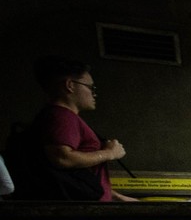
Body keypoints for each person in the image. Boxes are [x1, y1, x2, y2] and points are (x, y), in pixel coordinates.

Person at [12, 56, 135, 202]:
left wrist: (117, 197)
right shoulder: (62, 116)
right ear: (70, 85)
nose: (94, 93)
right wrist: (110, 153)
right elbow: (62, 158)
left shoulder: (56, 116)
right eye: (90, 87)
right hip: (86, 211)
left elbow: (78, 175)